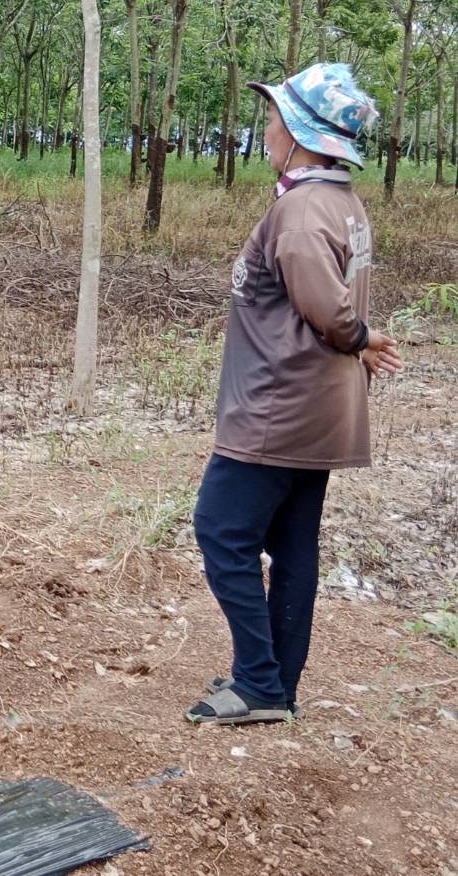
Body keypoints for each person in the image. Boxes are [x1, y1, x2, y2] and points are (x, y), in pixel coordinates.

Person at [186, 62, 402, 726]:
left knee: (220, 529)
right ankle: (277, 684)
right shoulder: (339, 201)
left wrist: (361, 336)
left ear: (303, 134)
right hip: (316, 406)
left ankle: (257, 681)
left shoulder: (301, 210)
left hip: (276, 407)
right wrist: (357, 341)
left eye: (275, 119)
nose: (268, 130)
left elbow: (327, 311)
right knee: (291, 542)